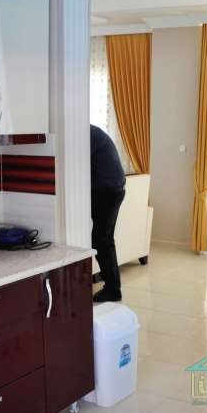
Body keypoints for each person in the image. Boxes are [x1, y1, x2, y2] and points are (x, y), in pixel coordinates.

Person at [90, 125, 126, 302]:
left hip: (106, 192)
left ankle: (112, 289)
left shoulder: (87, 135)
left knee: (101, 240)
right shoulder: (93, 132)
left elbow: (76, 163)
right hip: (112, 189)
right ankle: (112, 286)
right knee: (104, 240)